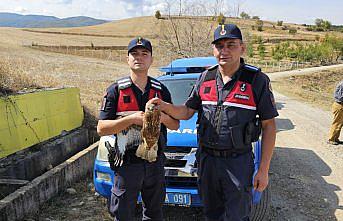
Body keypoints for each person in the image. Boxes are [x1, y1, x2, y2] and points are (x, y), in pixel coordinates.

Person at [148, 24, 278, 220]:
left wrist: (263, 170)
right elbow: (186, 111)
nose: (224, 51)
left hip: (238, 162)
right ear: (213, 50)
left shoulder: (256, 80)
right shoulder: (205, 77)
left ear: (242, 48)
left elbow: (269, 126)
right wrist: (165, 106)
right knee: (211, 214)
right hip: (207, 160)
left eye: (230, 45)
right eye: (219, 46)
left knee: (237, 215)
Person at [97, 37, 179, 221]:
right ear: (127, 59)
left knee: (154, 213)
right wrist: (132, 119)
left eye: (144, 54)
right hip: (127, 164)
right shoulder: (115, 91)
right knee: (124, 213)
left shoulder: (161, 90)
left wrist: (161, 117)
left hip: (154, 163)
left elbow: (175, 124)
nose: (139, 57)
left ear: (151, 60)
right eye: (134, 53)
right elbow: (101, 128)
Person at [328, 80, 343, 145]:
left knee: (340, 123)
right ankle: (331, 139)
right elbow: (341, 97)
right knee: (337, 123)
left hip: (339, 105)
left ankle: (335, 139)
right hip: (339, 105)